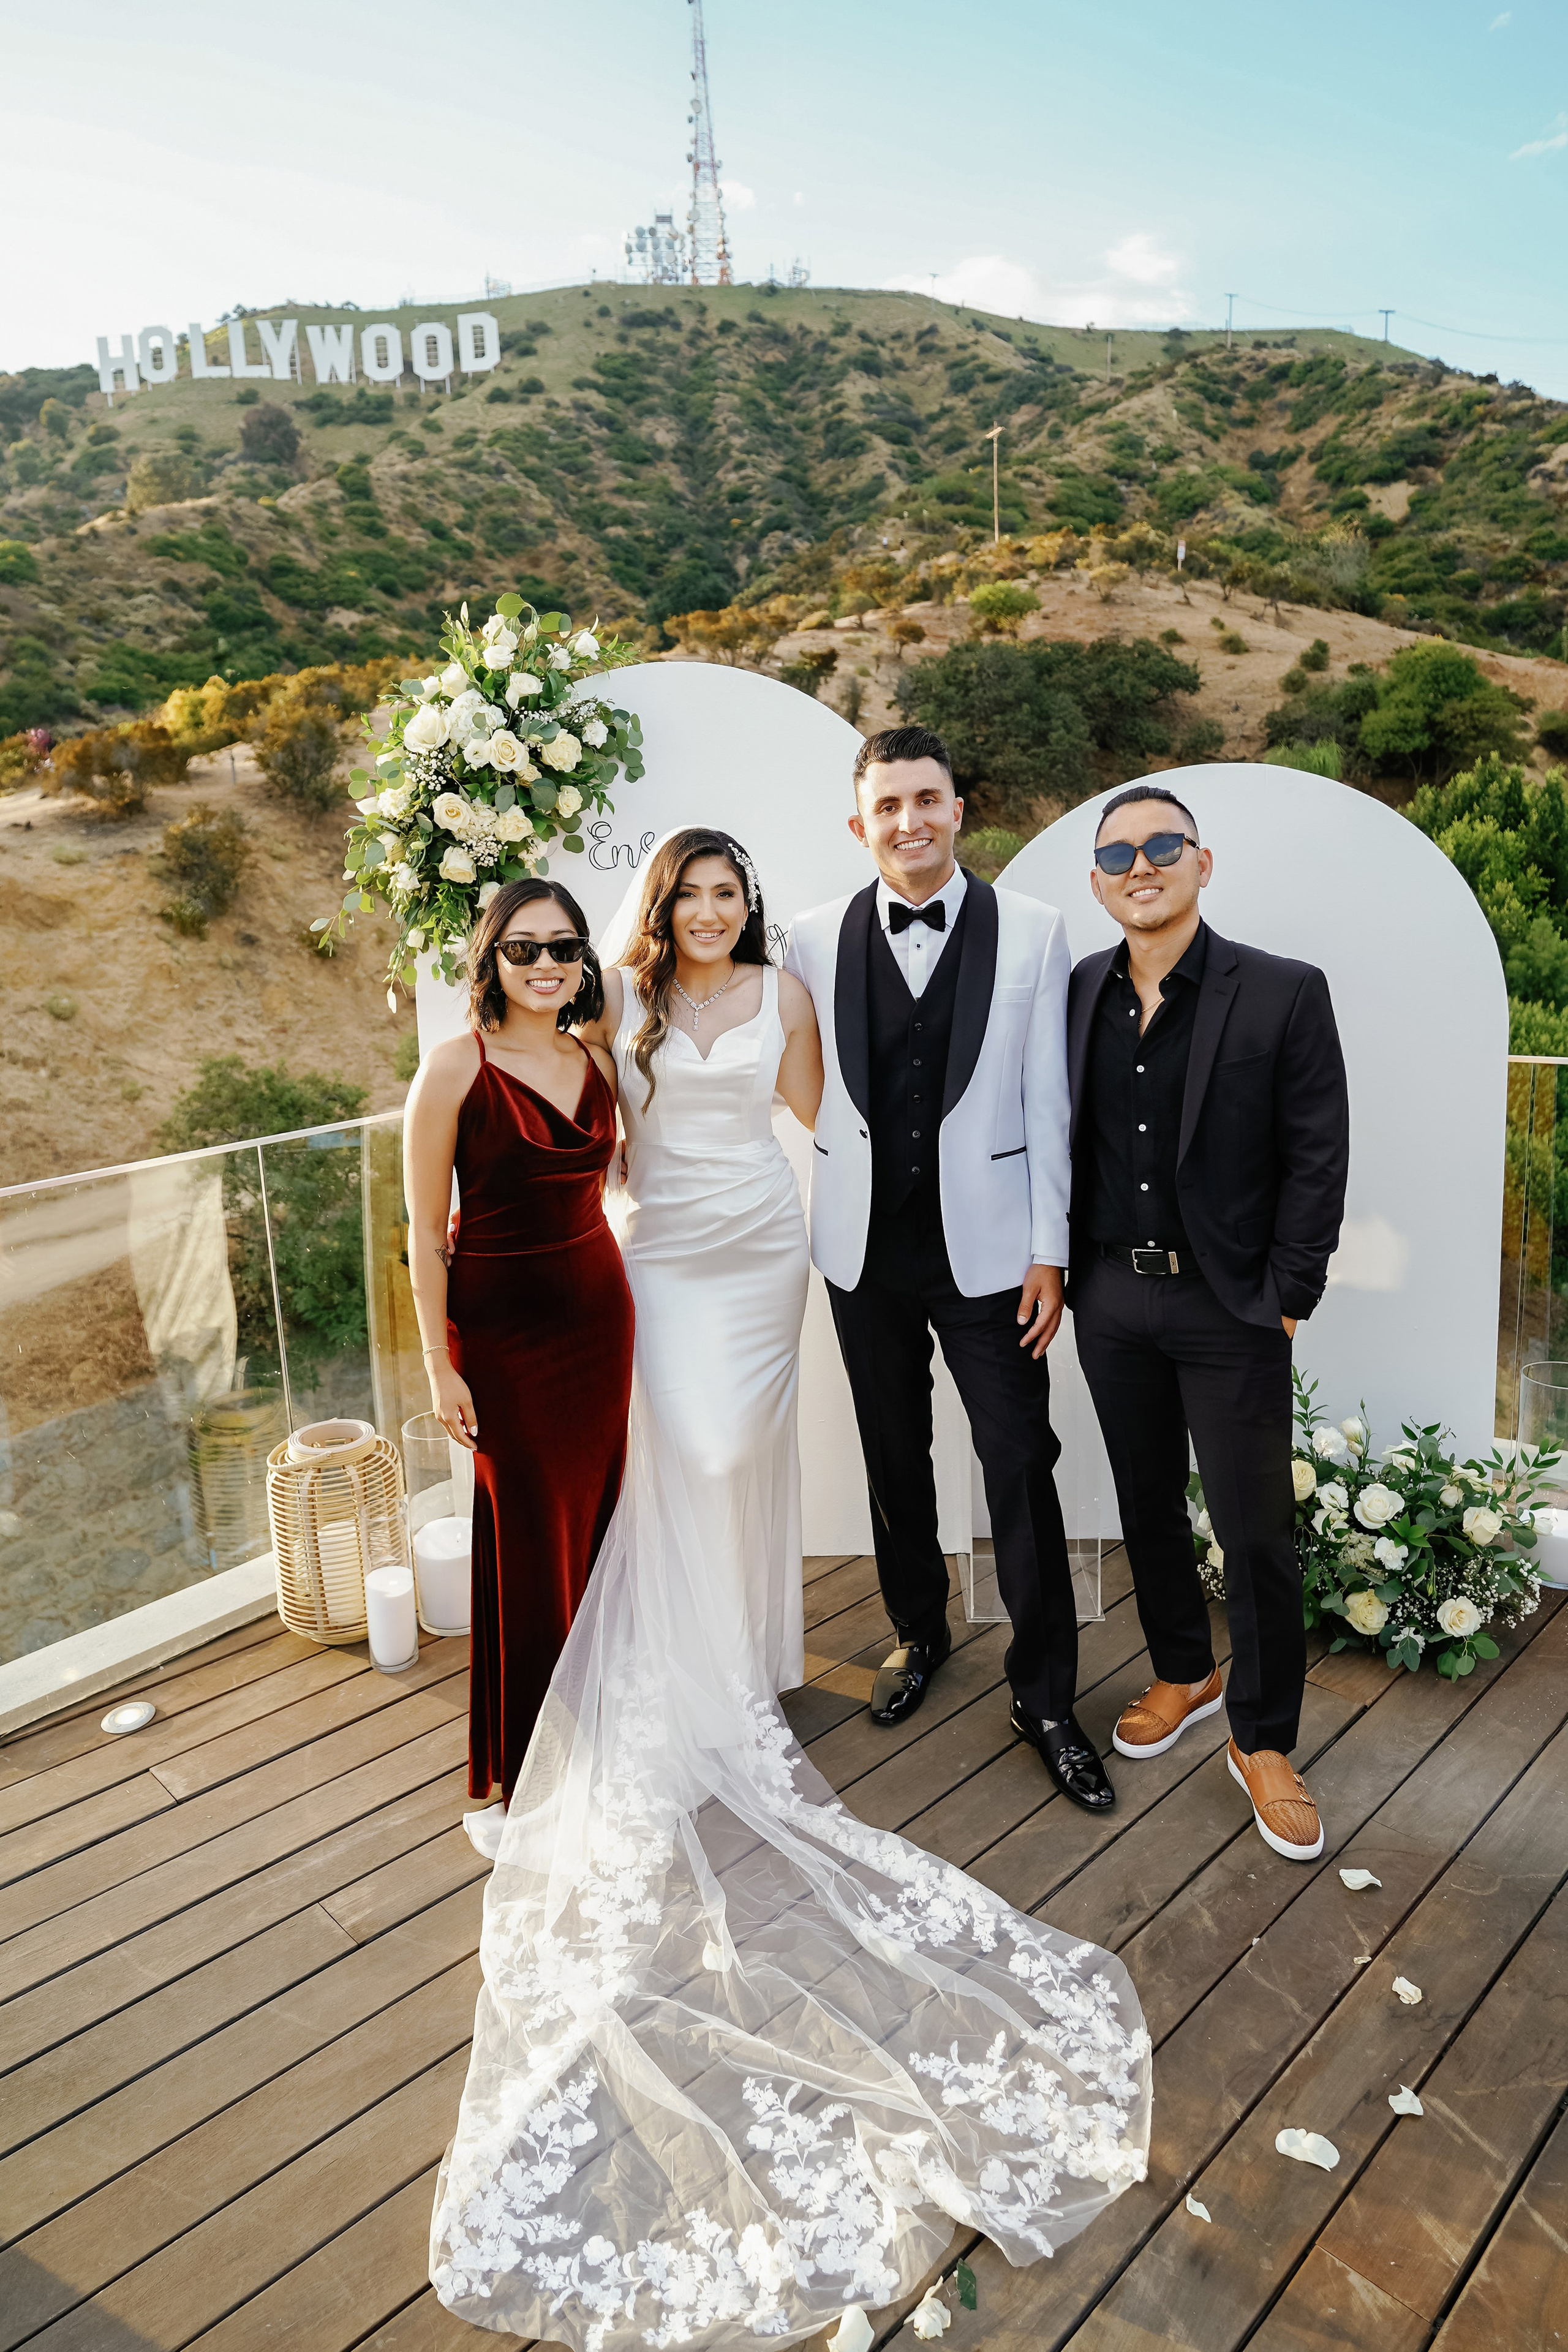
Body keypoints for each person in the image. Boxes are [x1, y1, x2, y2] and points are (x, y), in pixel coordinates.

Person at [429, 828, 1152, 2350]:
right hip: (656, 1259)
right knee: (676, 1459)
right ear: (651, 915)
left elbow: (821, 1127)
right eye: (685, 893)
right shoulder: (611, 1017)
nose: (706, 910)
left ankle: (730, 1656)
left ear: (747, 906)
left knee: (722, 1455)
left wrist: (840, 1233)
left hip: (758, 1249)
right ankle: (690, 1673)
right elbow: (590, 1149)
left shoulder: (783, 990)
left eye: (725, 892)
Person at [785, 725, 1113, 1812]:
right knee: (894, 1456)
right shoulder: (809, 937)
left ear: (959, 808)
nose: (910, 822)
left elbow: (1051, 1110)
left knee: (1019, 1459)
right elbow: (786, 1068)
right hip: (863, 1250)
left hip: (992, 1258)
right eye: (889, 806)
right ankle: (917, 1633)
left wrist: (1049, 1253)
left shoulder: (1035, 930)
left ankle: (1047, 1696)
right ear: (860, 823)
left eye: (927, 800)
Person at [1066, 783, 1349, 1863]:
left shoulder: (1282, 992)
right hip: (1112, 1295)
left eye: (1162, 846)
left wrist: (1287, 1296)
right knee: (1144, 1501)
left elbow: (1318, 1153)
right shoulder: (1080, 988)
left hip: (1230, 1303)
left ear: (1202, 862)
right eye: (1120, 854)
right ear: (1099, 882)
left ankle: (1264, 1739)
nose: (1143, 866)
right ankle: (1184, 1668)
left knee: (1256, 1528)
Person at [403, 878, 633, 1856]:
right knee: (525, 1547)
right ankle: (511, 1771)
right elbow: (421, 1233)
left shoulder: (596, 1059)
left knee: (596, 1532)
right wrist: (437, 1367)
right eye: (524, 949)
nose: (547, 965)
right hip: (500, 1337)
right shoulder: (455, 1069)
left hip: (599, 1315)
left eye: (565, 948)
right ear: (489, 961)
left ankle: (593, 1740)